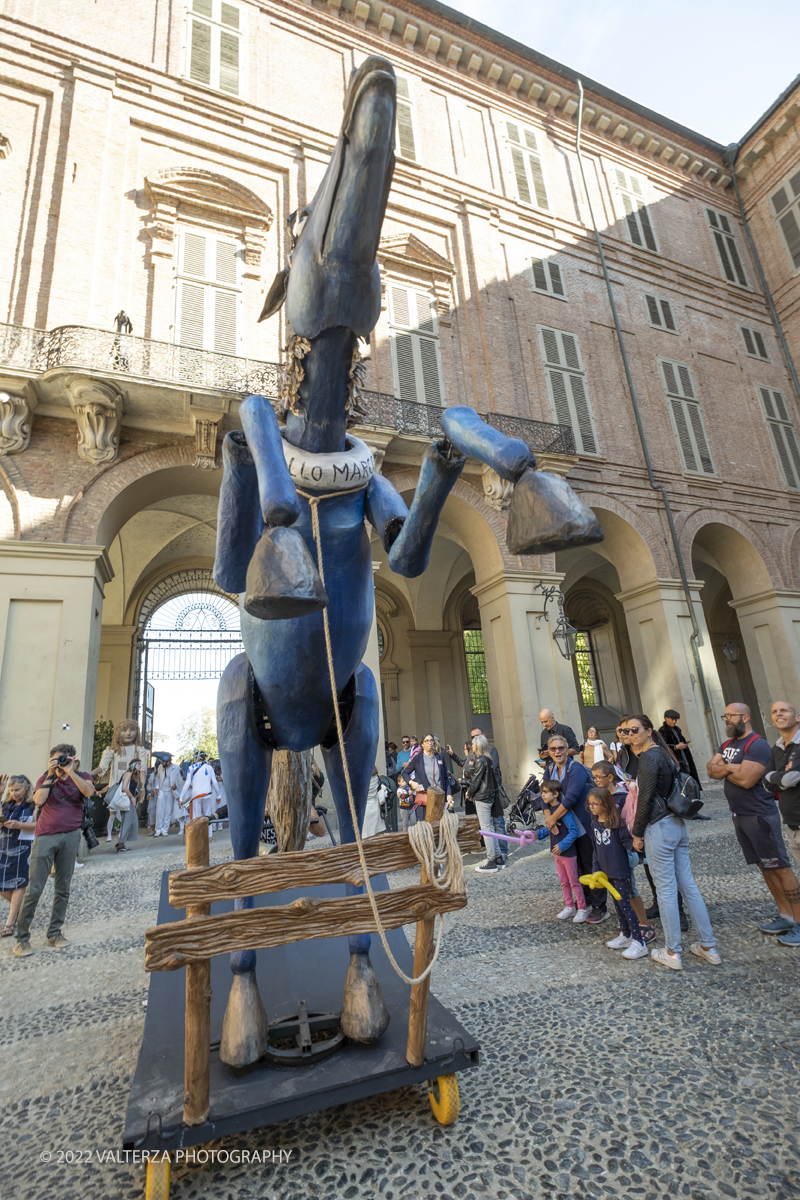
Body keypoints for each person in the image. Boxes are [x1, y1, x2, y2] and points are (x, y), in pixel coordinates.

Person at [628, 715, 719, 971]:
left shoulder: (648, 757)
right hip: (677, 824)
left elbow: (645, 799)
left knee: (666, 890)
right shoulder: (666, 754)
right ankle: (708, 946)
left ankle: (672, 952)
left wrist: (637, 833)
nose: (630, 734)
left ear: (648, 731)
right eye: (626, 731)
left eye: (635, 730)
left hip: (659, 826)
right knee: (688, 886)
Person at [707, 702, 800, 947]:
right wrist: (730, 767)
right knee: (765, 866)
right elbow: (709, 769)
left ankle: (799, 922)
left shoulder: (757, 744)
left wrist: (723, 768)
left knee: (780, 866)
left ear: (745, 717)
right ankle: (785, 915)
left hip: (759, 815)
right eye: (724, 715)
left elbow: (748, 780)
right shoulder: (727, 744)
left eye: (730, 716)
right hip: (739, 815)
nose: (726, 720)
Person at [14, 743, 95, 957]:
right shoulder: (44, 778)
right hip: (45, 837)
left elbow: (89, 792)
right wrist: (52, 774)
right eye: (58, 759)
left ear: (73, 759)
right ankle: (22, 939)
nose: (62, 762)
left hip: (70, 836)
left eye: (66, 758)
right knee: (35, 889)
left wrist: (70, 772)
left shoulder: (83, 776)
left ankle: (55, 933)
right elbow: (39, 800)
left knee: (63, 888)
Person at [542, 736, 607, 923]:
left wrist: (553, 818)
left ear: (567, 749)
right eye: (553, 748)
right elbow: (543, 796)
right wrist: (549, 820)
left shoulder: (575, 768)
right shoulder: (549, 770)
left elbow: (571, 797)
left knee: (590, 864)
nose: (557, 752)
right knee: (574, 867)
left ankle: (599, 906)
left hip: (583, 826)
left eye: (561, 748)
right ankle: (582, 904)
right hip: (563, 829)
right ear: (549, 750)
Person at [590, 760, 655, 943]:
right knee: (621, 895)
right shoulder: (598, 799)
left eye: (599, 777)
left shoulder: (621, 797)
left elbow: (630, 820)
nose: (596, 780)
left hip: (624, 852)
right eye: (593, 777)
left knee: (631, 891)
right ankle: (627, 931)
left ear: (610, 777)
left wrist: (637, 849)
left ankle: (644, 928)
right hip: (609, 853)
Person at [587, 787, 649, 960]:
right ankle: (625, 934)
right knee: (617, 904)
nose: (592, 807)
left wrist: (638, 848)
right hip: (606, 873)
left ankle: (639, 942)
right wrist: (595, 870)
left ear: (605, 804)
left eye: (595, 804)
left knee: (625, 906)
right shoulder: (594, 824)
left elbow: (627, 843)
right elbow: (595, 850)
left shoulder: (617, 824)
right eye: (590, 804)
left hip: (620, 871)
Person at [533, 779, 588, 921]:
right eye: (542, 792)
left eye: (545, 792)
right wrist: (537, 834)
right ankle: (569, 906)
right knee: (563, 881)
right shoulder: (551, 812)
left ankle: (582, 908)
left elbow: (573, 831)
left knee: (574, 882)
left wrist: (562, 845)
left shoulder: (564, 813)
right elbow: (550, 829)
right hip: (557, 854)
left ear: (556, 794)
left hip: (568, 854)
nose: (543, 795)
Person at [765, 700, 800, 871]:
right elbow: (766, 783)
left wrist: (776, 777)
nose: (778, 713)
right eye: (774, 711)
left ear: (798, 717)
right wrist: (780, 776)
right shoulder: (777, 748)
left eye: (784, 710)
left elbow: (791, 778)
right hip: (792, 828)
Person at [464, 734, 506, 873]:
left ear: (477, 746)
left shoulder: (480, 761)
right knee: (491, 828)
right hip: (489, 796)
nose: (472, 747)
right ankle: (498, 857)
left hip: (482, 797)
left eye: (474, 744)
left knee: (486, 829)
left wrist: (469, 793)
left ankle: (491, 860)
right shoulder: (488, 759)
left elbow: (475, 780)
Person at [0, 775, 35, 938]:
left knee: (19, 883)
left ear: (26, 788)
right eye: (11, 790)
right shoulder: (7, 805)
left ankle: (11, 921)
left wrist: (19, 825)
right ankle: (21, 908)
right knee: (2, 883)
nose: (13, 793)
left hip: (25, 847)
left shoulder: (33, 804)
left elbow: (39, 824)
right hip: (4, 846)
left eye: (17, 790)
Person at [401, 734, 454, 822]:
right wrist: (411, 782)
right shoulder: (418, 759)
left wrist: (448, 794)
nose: (430, 743)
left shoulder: (439, 757)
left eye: (431, 740)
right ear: (422, 744)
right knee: (426, 827)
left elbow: (445, 778)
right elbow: (405, 773)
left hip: (440, 798)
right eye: (427, 741)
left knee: (441, 825)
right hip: (425, 798)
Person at [179, 752, 221, 837]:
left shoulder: (191, 768)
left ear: (197, 758)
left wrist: (181, 798)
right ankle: (209, 835)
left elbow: (187, 784)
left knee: (196, 816)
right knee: (208, 815)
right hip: (207, 794)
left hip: (196, 795)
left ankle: (196, 835)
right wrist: (218, 795)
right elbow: (215, 782)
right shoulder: (209, 768)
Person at [659, 709, 701, 786]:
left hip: (684, 758)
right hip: (675, 761)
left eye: (675, 719)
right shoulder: (662, 731)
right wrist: (675, 747)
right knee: (680, 782)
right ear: (666, 718)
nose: (674, 721)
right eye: (672, 719)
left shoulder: (677, 729)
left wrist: (684, 745)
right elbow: (662, 747)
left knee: (688, 778)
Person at [151, 753, 183, 836]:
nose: (162, 764)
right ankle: (158, 830)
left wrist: (176, 785)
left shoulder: (176, 768)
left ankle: (165, 830)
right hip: (162, 791)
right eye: (161, 762)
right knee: (159, 811)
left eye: (164, 762)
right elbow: (158, 778)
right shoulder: (160, 767)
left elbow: (180, 780)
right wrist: (157, 787)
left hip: (171, 792)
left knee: (168, 811)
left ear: (169, 761)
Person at [114, 758, 141, 853]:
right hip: (127, 801)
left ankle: (121, 843)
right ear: (133, 765)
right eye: (138, 764)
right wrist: (132, 798)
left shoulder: (132, 775)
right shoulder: (128, 774)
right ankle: (121, 845)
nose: (140, 766)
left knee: (131, 821)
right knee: (128, 822)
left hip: (129, 801)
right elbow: (124, 787)